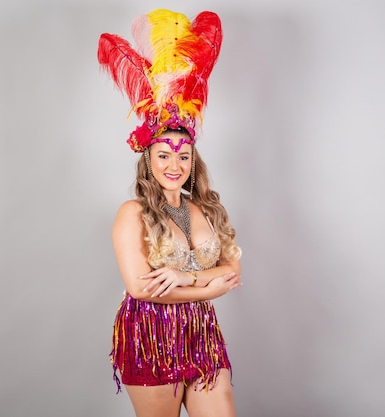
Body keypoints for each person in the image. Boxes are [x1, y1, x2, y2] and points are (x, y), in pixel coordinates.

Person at [97, 8, 242, 417]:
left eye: (182, 156)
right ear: (148, 160)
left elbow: (233, 270)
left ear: (193, 161)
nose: (173, 165)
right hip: (150, 334)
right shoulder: (133, 212)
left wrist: (185, 278)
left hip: (202, 332)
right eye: (163, 155)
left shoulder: (208, 207)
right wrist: (209, 290)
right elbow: (142, 288)